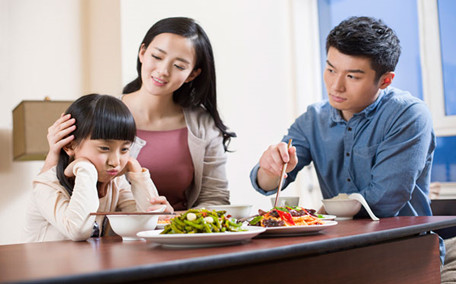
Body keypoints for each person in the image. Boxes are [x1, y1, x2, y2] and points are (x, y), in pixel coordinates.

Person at [250, 16, 444, 262]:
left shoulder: (408, 115)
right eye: (331, 69)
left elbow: (384, 200)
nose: (335, 86)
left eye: (352, 76)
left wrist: (317, 215)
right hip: (341, 251)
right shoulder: (313, 119)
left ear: (385, 80)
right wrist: (271, 169)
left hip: (405, 251)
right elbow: (266, 183)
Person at [41, 17, 235, 211]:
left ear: (192, 74)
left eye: (179, 66)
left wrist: (176, 220)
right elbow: (54, 193)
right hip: (107, 236)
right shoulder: (98, 115)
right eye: (157, 57)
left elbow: (215, 199)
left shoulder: (203, 125)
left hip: (180, 236)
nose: (163, 71)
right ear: (142, 52)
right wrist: (53, 153)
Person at [23, 94, 171, 242]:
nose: (115, 162)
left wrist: (136, 171)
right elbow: (78, 231)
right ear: (70, 145)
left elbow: (147, 224)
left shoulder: (115, 183)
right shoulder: (46, 185)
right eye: (105, 148)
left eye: (125, 149)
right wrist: (85, 168)